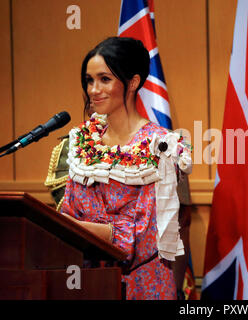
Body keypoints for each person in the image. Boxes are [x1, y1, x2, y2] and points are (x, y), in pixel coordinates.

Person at [59, 37, 192, 300]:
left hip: (143, 284)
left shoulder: (161, 146)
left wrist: (76, 227)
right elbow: (68, 212)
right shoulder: (81, 143)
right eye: (89, 80)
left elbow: (146, 233)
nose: (94, 89)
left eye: (104, 79)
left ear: (132, 82)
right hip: (88, 283)